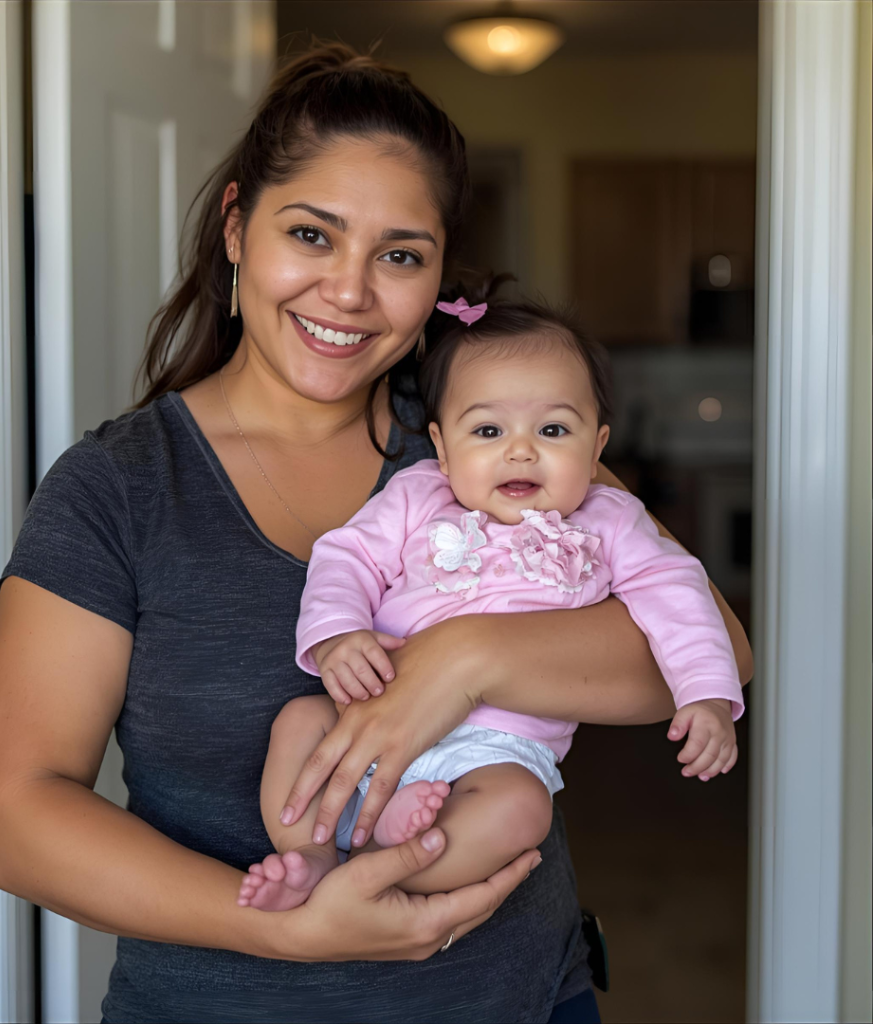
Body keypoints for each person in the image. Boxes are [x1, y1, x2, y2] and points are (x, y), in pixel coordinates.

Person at [0, 43, 753, 1024]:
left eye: (399, 254)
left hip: (520, 999)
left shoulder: (495, 429)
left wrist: (464, 660)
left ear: (435, 277)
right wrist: (282, 926)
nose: (348, 291)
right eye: (311, 232)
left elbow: (710, 639)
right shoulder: (119, 488)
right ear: (237, 226)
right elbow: (12, 817)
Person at [239, 287, 744, 914]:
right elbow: (348, 557)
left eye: (554, 429)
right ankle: (311, 851)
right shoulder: (417, 495)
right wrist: (339, 633)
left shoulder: (611, 519)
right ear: (443, 449)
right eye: (487, 429)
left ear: (597, 448)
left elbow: (677, 591)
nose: (521, 449)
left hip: (500, 749)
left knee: (522, 810)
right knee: (298, 724)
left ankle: (370, 873)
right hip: (369, 714)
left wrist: (704, 693)